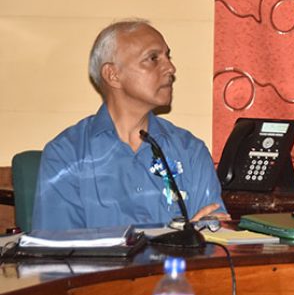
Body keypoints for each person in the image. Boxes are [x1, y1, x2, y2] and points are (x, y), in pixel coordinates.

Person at [32, 20, 230, 230]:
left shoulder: (189, 150)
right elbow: (56, 250)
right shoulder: (67, 154)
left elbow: (214, 234)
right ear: (113, 75)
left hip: (177, 264)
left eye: (167, 56)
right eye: (153, 58)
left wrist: (203, 233)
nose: (170, 68)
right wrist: (177, 239)